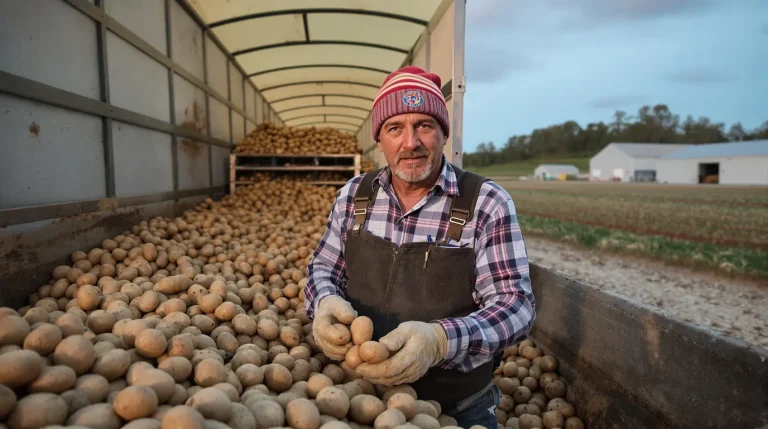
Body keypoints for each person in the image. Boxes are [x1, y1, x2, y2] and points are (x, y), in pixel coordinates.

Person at [304, 66, 536, 429]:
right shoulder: (354, 196)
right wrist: (323, 303)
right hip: (358, 393)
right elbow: (323, 268)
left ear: (444, 133)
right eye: (395, 128)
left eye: (424, 126)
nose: (410, 142)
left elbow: (516, 306)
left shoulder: (486, 201)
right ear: (379, 140)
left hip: (456, 402)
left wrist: (441, 340)